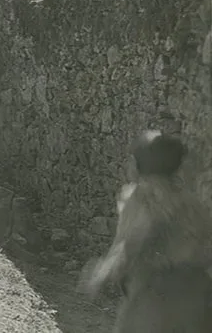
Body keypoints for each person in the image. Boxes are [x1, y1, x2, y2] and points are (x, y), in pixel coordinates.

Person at [80, 131, 212, 333]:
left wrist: (102, 275)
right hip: (198, 296)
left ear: (139, 164)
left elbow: (129, 244)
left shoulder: (142, 197)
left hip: (156, 297)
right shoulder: (191, 201)